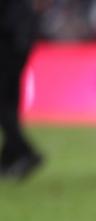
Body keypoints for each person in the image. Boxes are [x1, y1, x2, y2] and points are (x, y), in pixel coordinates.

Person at [0, 0, 43, 180]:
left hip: (10, 43)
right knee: (10, 103)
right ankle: (9, 159)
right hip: (19, 41)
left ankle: (25, 151)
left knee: (4, 104)